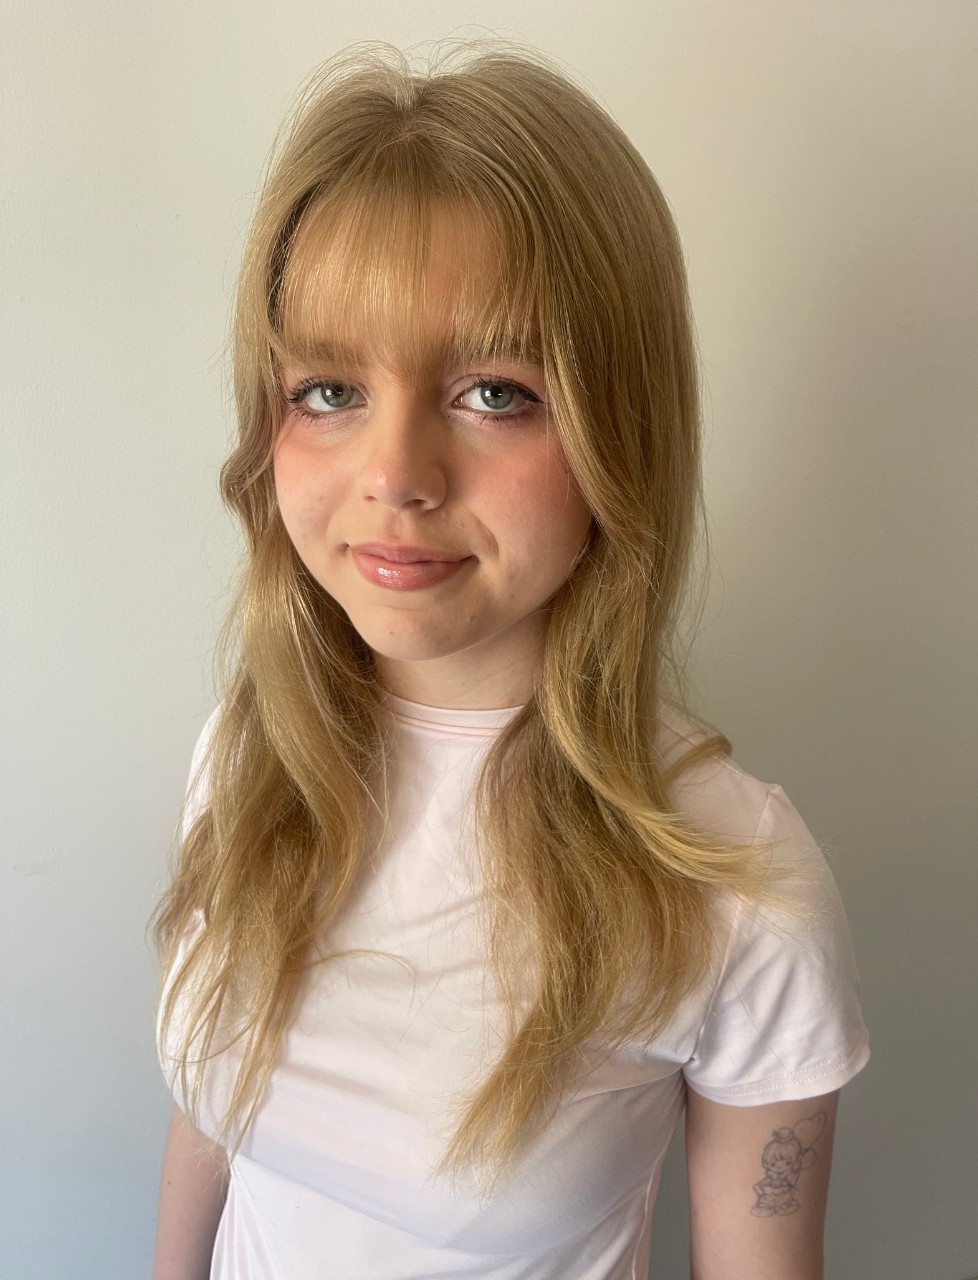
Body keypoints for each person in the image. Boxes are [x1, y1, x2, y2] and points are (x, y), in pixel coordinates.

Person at [151, 38, 870, 1280]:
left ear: (618, 423)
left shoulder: (738, 889)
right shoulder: (251, 748)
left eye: (494, 391)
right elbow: (217, 1131)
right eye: (327, 388)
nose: (394, 476)